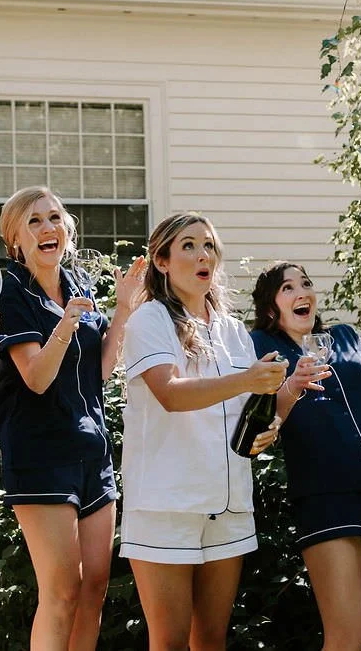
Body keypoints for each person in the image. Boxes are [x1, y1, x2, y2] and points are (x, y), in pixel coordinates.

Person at [119, 212, 288, 650]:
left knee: (211, 640)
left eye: (209, 245)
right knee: (170, 642)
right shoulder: (148, 320)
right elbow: (171, 395)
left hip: (230, 505)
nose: (202, 255)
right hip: (166, 508)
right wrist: (247, 380)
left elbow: (250, 408)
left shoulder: (234, 331)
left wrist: (269, 427)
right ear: (161, 261)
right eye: (189, 245)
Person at [0, 185, 146, 651]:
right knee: (61, 590)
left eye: (55, 218)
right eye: (35, 220)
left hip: (92, 452)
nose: (48, 228)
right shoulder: (11, 290)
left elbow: (99, 370)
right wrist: (63, 324)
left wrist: (121, 308)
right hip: (41, 456)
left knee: (93, 588)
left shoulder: (77, 284)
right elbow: (37, 379)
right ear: (16, 238)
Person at [250, 261, 361, 651]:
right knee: (344, 640)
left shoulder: (345, 337)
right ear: (271, 306)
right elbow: (262, 419)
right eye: (287, 288)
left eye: (305, 284)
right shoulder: (261, 347)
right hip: (326, 498)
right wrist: (291, 385)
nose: (301, 293)